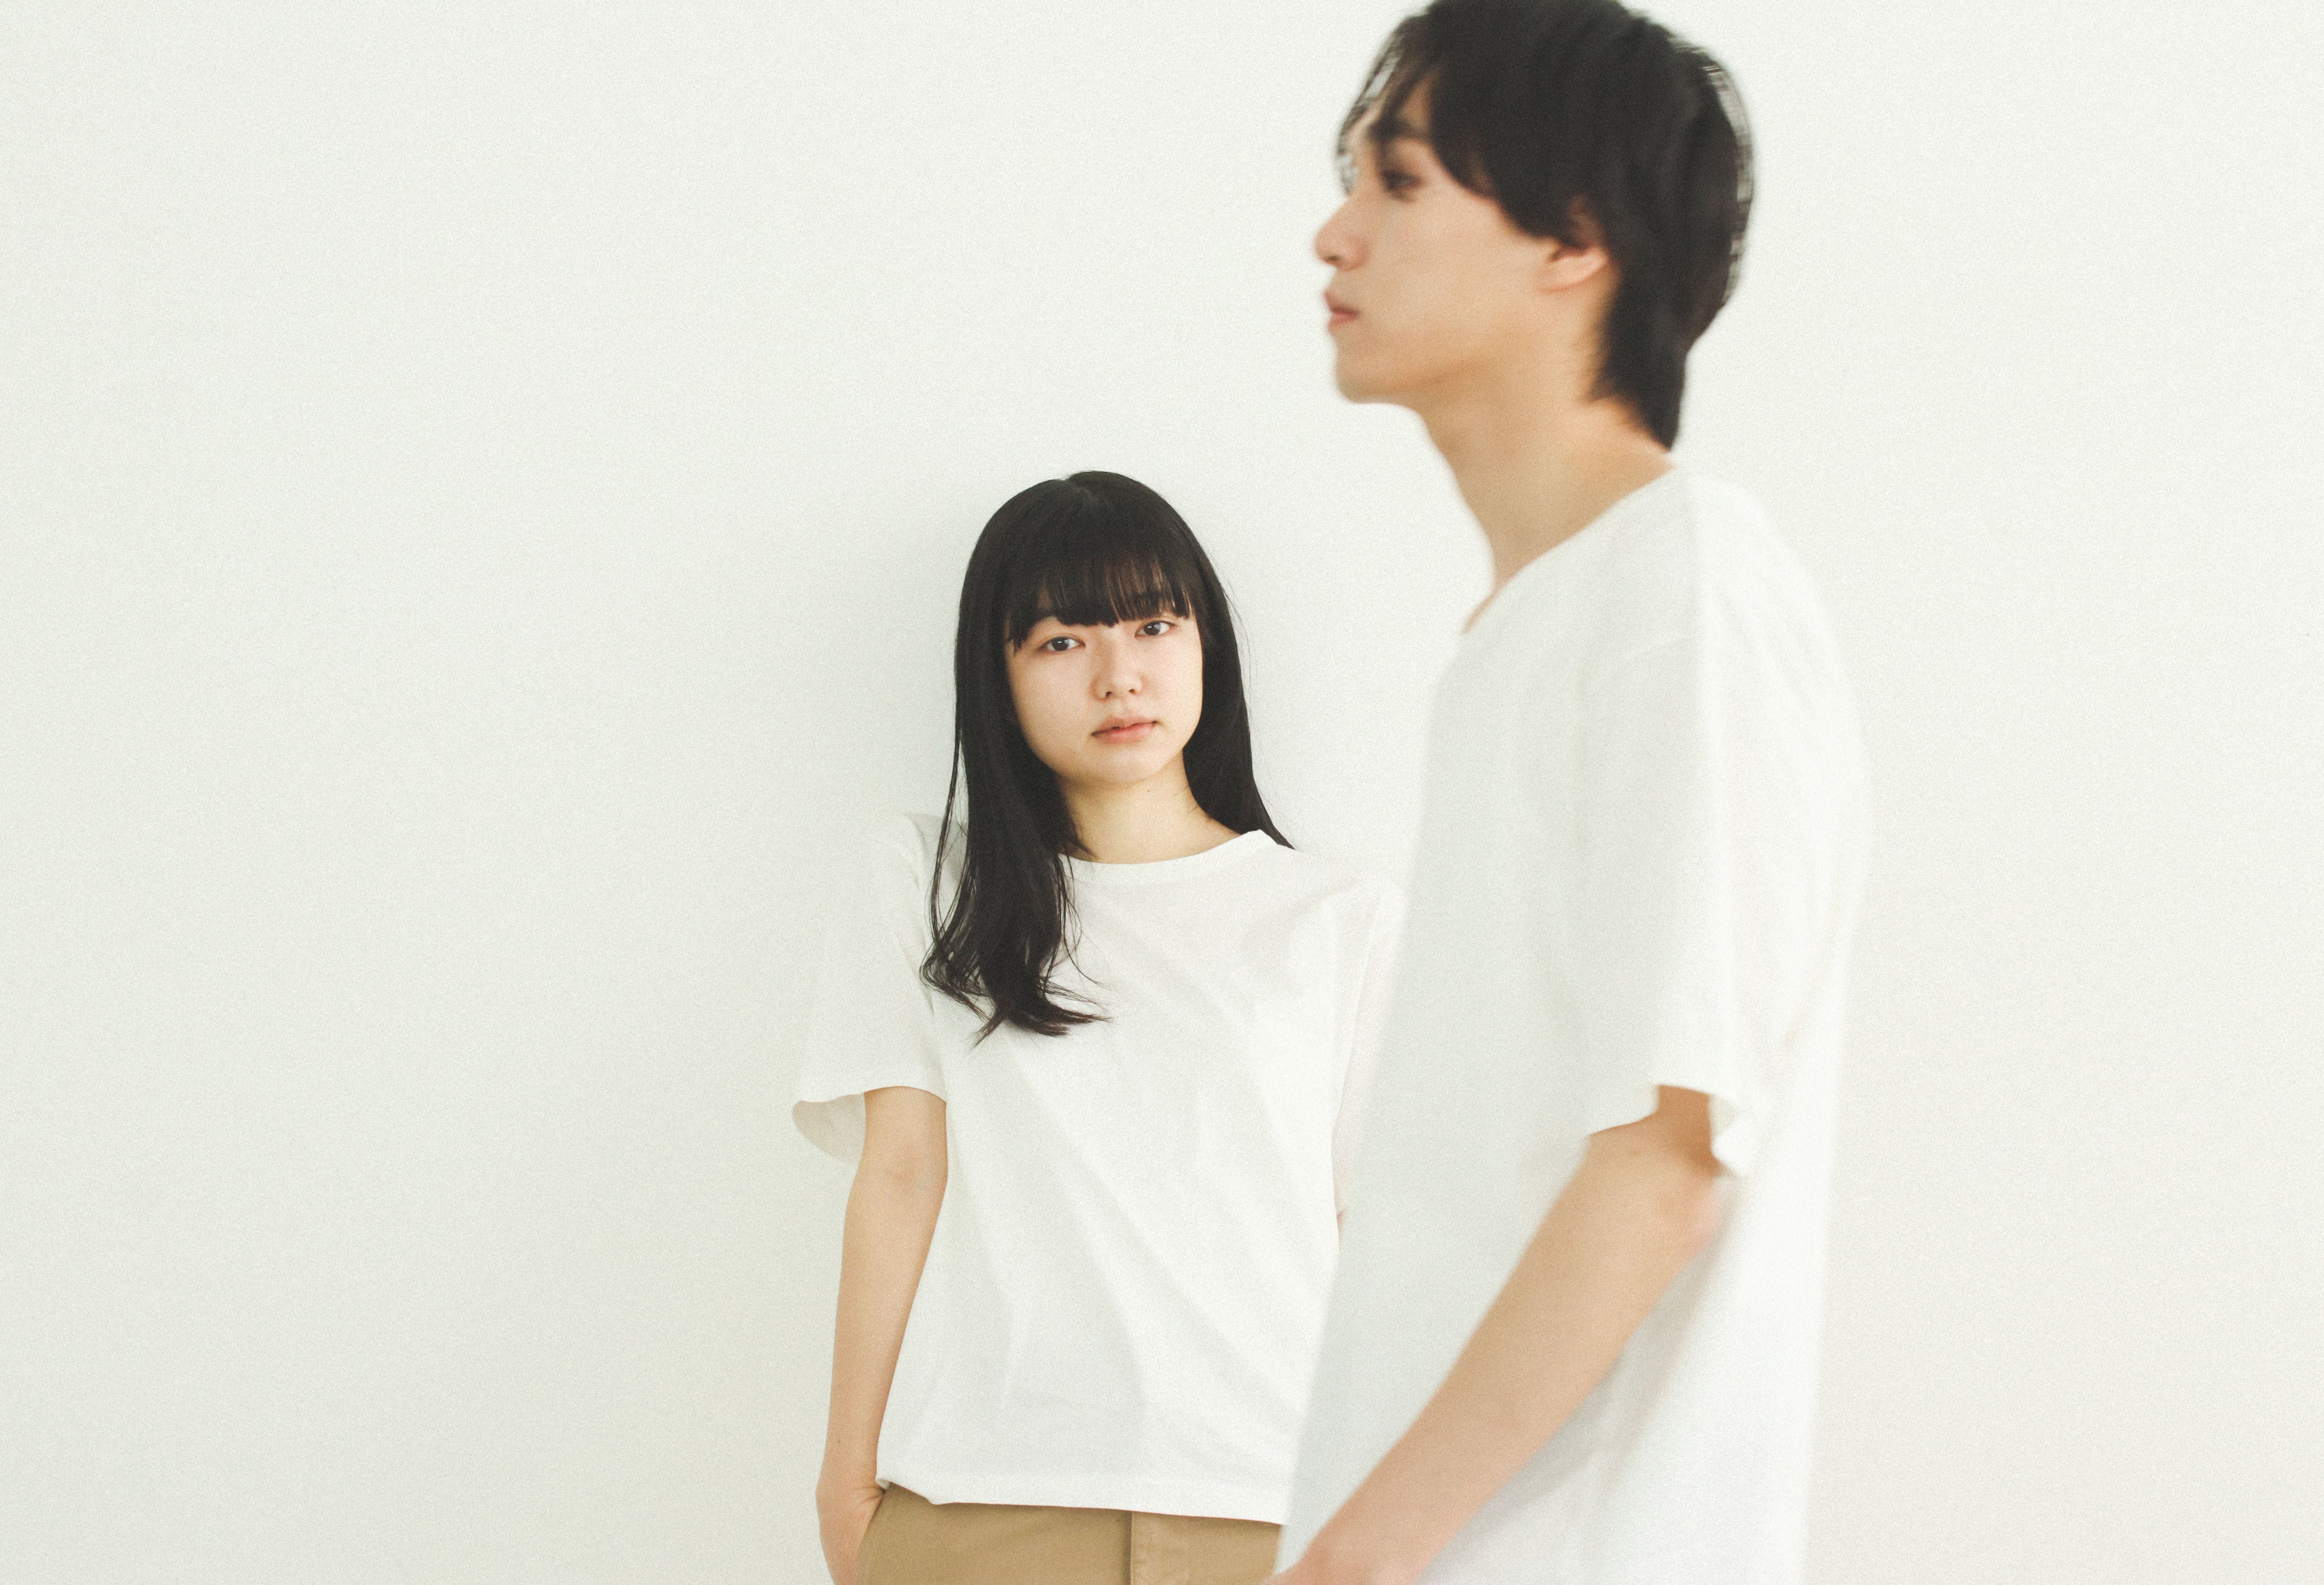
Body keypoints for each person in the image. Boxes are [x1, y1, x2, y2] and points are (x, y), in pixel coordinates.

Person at [1269, 3, 1871, 1582]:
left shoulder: (1681, 591)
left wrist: (1348, 1566)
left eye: (1399, 182)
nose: (1335, 233)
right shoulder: (1535, 630)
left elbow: (1664, 1160)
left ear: (1575, 237)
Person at [795, 471, 1404, 1585]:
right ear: (999, 679)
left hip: (1272, 1506)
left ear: (1207, 644)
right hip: (986, 1503)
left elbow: (1376, 1234)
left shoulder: (1338, 917)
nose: (1119, 675)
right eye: (1062, 642)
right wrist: (846, 1486)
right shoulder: (927, 886)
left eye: (1154, 626)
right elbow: (901, 1176)